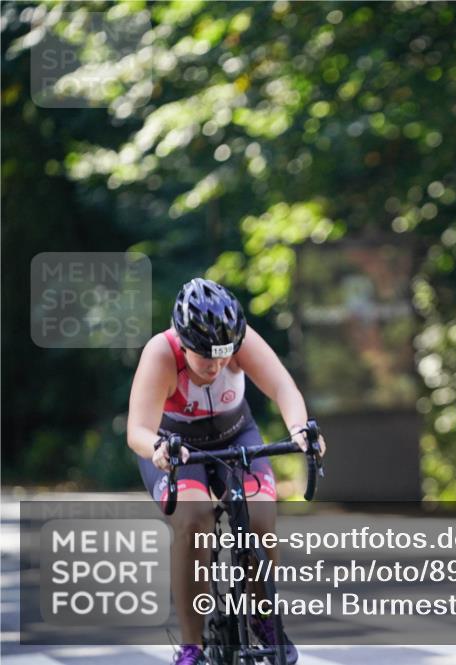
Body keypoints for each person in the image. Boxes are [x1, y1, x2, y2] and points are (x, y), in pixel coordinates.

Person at [127, 278, 326, 665]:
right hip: (175, 447)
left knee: (261, 517)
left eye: (225, 355)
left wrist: (301, 429)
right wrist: (158, 450)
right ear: (184, 343)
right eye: (206, 358)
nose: (218, 366)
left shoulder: (240, 340)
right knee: (194, 519)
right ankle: (191, 644)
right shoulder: (160, 354)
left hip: (236, 435)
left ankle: (262, 616)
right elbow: (137, 429)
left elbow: (284, 388)